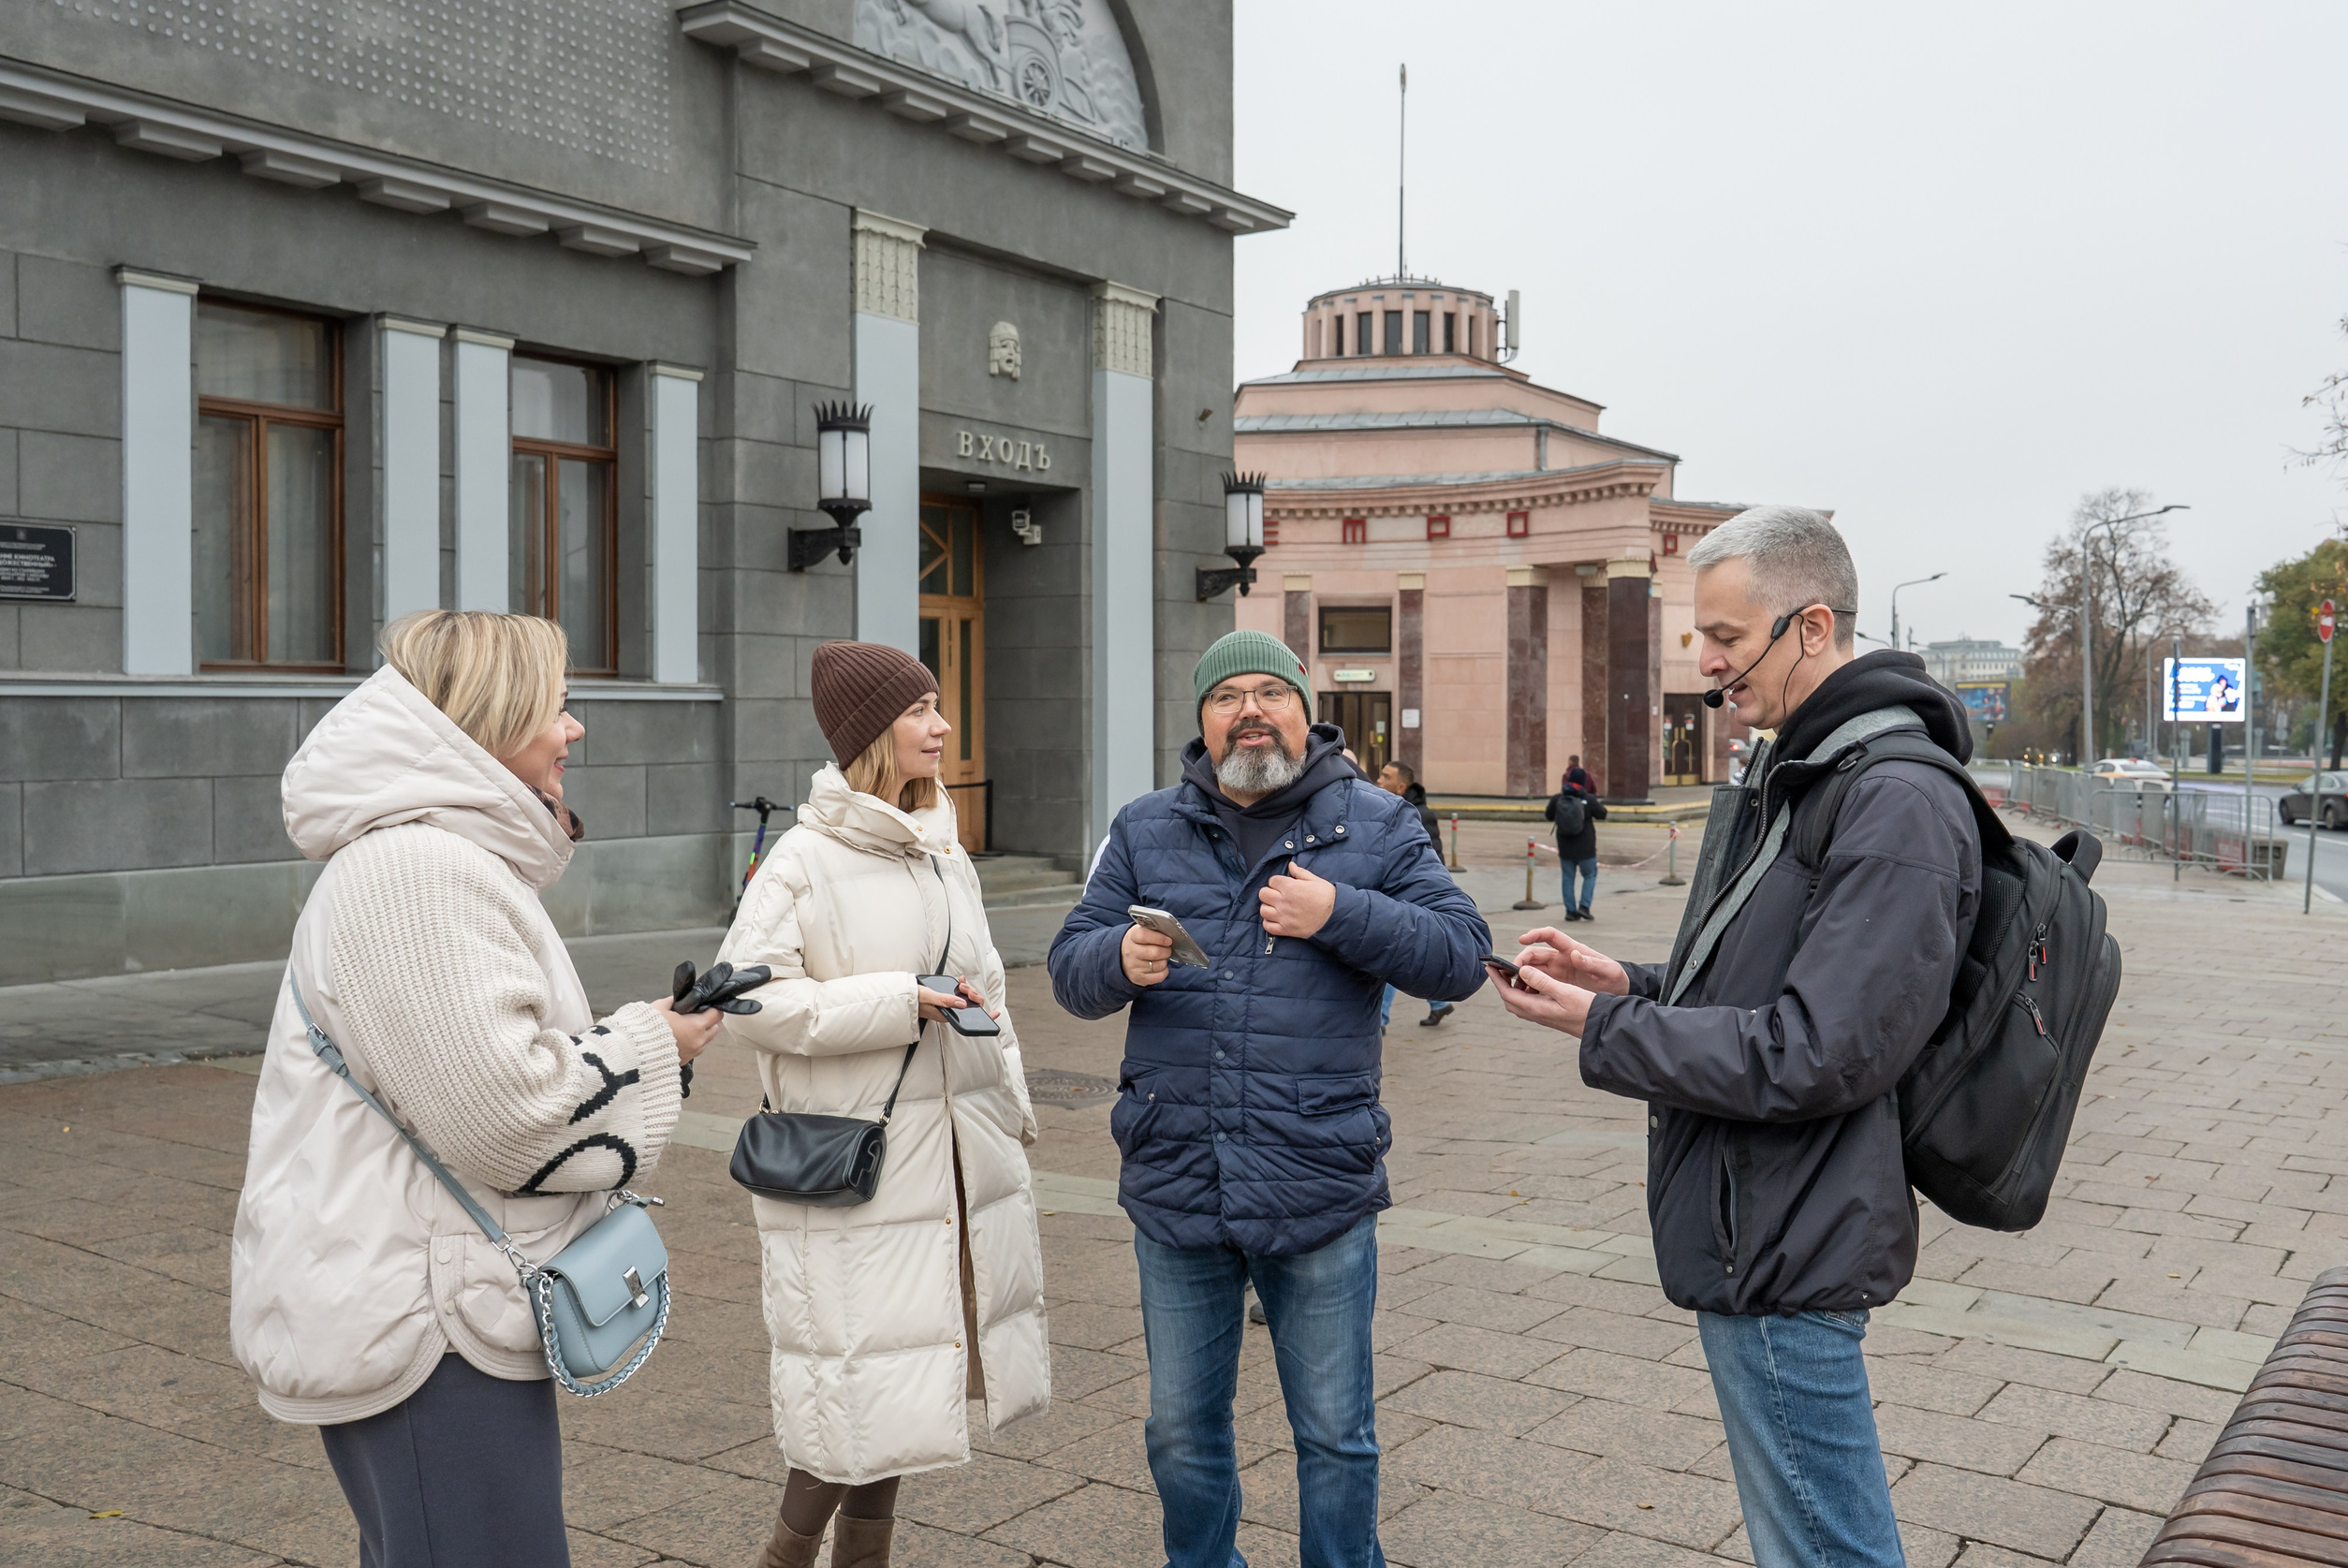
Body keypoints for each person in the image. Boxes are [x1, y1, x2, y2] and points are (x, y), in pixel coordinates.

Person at [1486, 506, 1981, 1568]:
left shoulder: (1889, 796)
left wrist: (1606, 1026)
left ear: (1812, 626)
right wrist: (1631, 983)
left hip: (1790, 1235)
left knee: (1826, 1550)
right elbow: (1764, 989)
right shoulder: (1812, 771)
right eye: (1700, 637)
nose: (1706, 664)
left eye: (1725, 637)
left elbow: (1815, 1050)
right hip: (1763, 1219)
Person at [230, 610, 726, 1567]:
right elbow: (508, 1118)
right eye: (556, 705)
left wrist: (646, 1043)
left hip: (422, 1300)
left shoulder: (422, 858)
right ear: (491, 714)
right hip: (428, 1321)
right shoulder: (418, 872)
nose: (574, 728)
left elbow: (469, 1073)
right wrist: (649, 1043)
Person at [1049, 629, 1490, 1568]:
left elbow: (1461, 953)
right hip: (1177, 1175)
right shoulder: (1144, 827)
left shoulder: (1377, 823)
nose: (1249, 710)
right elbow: (1068, 969)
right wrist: (1115, 958)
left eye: (1270, 692)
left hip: (1317, 1174)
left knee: (1334, 1433)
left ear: (1304, 711)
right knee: (1179, 1430)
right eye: (1226, 697)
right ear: (1202, 722)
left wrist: (1340, 912)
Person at [722, 640, 1048, 1568]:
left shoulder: (945, 853)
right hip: (854, 1170)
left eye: (937, 706)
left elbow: (990, 990)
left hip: (951, 1163)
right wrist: (898, 999)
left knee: (904, 1392)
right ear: (871, 734)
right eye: (919, 711)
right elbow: (747, 1000)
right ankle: (784, 1559)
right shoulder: (802, 859)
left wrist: (1012, 1105)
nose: (941, 726)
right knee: (850, 1397)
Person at [1375, 761, 1457, 1026]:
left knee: (1391, 954)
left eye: (1385, 777)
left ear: (1401, 787)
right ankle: (1439, 1004)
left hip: (1409, 896)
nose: (1379, 780)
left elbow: (1429, 862)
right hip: (1398, 895)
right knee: (1411, 953)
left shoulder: (1415, 814)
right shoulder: (1386, 809)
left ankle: (1380, 1019)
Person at [1545, 777, 1605, 921]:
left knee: (1567, 878)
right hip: (1586, 848)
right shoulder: (1589, 799)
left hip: (1565, 847)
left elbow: (1548, 815)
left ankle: (1570, 912)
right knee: (1590, 875)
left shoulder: (1557, 799)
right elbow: (1602, 814)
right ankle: (1584, 907)